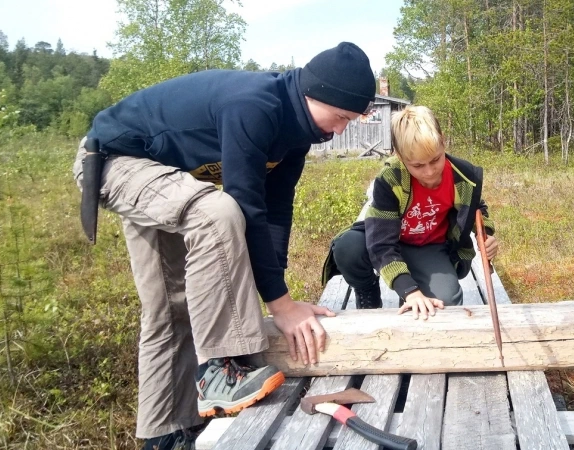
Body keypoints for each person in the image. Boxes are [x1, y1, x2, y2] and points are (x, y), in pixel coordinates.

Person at [72, 42, 376, 449]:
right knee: (217, 213)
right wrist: (280, 305)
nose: (340, 129)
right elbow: (245, 205)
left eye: (351, 121)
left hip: (168, 172)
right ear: (310, 94)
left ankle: (164, 435)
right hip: (114, 161)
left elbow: (274, 210)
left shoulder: (298, 136)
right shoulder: (254, 105)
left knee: (170, 308)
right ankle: (219, 370)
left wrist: (278, 287)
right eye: (340, 117)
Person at [322, 105, 498, 319]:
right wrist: (410, 291)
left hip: (428, 245)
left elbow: (477, 208)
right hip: (387, 238)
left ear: (443, 141)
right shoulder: (390, 179)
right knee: (347, 248)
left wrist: (486, 236)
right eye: (417, 165)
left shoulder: (464, 176)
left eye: (435, 160)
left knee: (447, 302)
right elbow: (381, 244)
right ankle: (367, 289)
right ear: (400, 156)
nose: (429, 172)